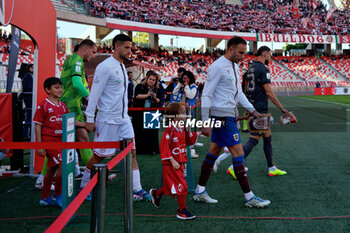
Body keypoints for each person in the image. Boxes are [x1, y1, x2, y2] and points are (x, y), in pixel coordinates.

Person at [192, 36, 270, 208]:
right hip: (222, 117)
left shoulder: (234, 66)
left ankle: (199, 191)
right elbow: (206, 94)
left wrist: (253, 111)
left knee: (214, 152)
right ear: (231, 49)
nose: (243, 56)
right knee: (238, 153)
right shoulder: (218, 67)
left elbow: (238, 93)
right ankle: (249, 197)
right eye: (241, 52)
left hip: (228, 116)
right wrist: (205, 121)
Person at [82, 34, 151, 201]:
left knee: (132, 152)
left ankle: (137, 189)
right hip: (107, 119)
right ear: (116, 46)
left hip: (123, 119)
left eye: (131, 48)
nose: (130, 51)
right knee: (100, 156)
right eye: (127, 47)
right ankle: (84, 187)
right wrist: (89, 118)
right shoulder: (105, 67)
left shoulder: (121, 66)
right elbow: (94, 94)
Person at [33, 77, 85, 207]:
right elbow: (38, 125)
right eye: (56, 87)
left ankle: (45, 198)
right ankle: (58, 195)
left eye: (61, 87)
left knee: (51, 169)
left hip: (61, 141)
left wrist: (86, 124)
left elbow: (69, 120)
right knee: (63, 166)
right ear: (47, 89)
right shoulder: (43, 105)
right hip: (49, 142)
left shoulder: (62, 105)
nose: (60, 90)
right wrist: (39, 146)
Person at [150, 102, 201, 220]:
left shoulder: (182, 127)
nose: (185, 115)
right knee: (182, 185)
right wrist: (172, 160)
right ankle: (182, 210)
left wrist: (199, 133)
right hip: (171, 163)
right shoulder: (170, 129)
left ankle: (156, 194)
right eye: (182, 113)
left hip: (181, 161)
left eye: (185, 113)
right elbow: (164, 147)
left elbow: (188, 139)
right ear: (173, 115)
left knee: (170, 186)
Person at [132, 71, 161, 155]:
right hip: (140, 113)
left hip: (152, 112)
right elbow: (137, 96)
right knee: (140, 131)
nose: (151, 81)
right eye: (150, 79)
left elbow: (160, 100)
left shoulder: (156, 89)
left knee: (152, 132)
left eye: (153, 80)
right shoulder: (139, 86)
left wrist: (155, 98)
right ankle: (141, 150)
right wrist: (147, 95)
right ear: (147, 78)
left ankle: (152, 149)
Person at [172, 70, 199, 158]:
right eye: (184, 77)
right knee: (180, 129)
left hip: (189, 110)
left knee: (189, 130)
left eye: (186, 78)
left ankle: (191, 149)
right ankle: (181, 147)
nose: (185, 79)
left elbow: (190, 96)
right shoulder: (182, 86)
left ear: (190, 78)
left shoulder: (193, 86)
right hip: (181, 111)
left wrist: (186, 86)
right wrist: (180, 84)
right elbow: (174, 93)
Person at [21, 64, 33, 138]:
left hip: (30, 98)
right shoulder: (27, 77)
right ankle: (25, 134)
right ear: (29, 68)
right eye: (32, 68)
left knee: (30, 117)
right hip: (29, 99)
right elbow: (29, 88)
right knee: (29, 117)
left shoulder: (30, 76)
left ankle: (27, 134)